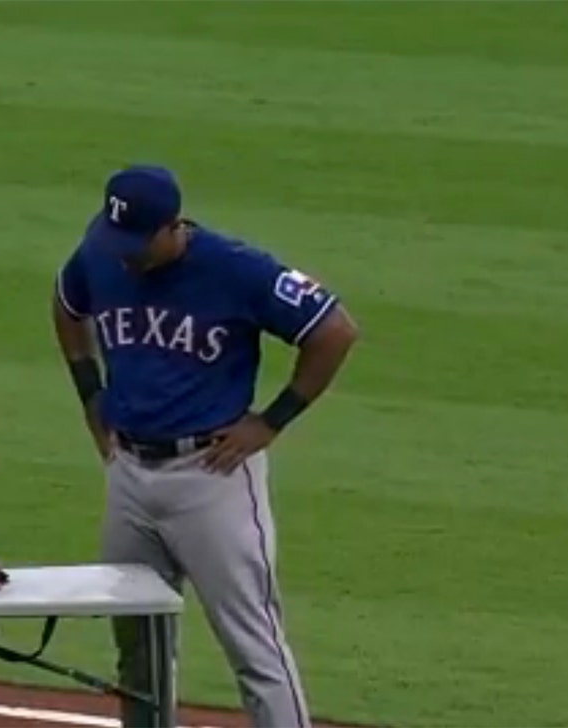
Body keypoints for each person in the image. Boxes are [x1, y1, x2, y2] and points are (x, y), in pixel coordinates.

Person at [50, 164, 359, 728]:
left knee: (254, 647)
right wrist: (91, 396)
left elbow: (334, 329)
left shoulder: (236, 270)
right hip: (129, 477)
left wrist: (271, 421)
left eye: (137, 245)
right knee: (138, 651)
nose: (125, 257)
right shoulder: (101, 251)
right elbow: (68, 306)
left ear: (173, 227)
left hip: (211, 478)